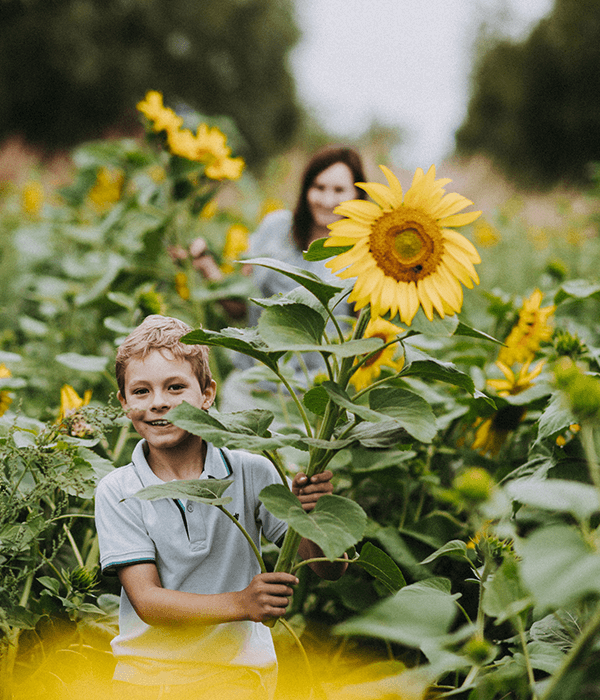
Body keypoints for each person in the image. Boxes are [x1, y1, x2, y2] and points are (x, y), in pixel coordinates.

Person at [94, 315, 346, 699]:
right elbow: (148, 601)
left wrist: (316, 511)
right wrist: (242, 602)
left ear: (207, 394)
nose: (159, 402)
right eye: (141, 391)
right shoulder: (118, 490)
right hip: (146, 680)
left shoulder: (253, 471)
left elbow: (330, 568)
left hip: (240, 677)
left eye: (175, 387)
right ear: (124, 402)